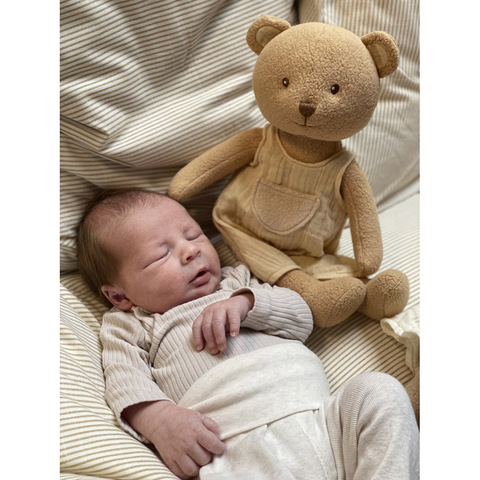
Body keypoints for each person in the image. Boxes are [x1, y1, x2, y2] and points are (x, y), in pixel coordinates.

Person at [77, 188, 419, 480]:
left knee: (380, 391)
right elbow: (124, 379)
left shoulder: (237, 282)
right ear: (120, 296)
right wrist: (159, 420)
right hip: (237, 450)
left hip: (325, 421)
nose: (190, 250)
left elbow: (301, 317)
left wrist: (248, 304)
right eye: (161, 254)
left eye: (193, 235)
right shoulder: (130, 323)